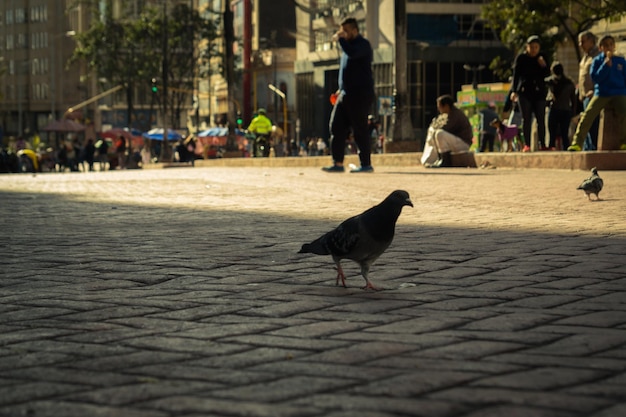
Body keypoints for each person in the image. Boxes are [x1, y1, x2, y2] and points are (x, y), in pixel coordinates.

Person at [323, 17, 375, 173]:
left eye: (346, 31)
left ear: (355, 30)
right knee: (336, 126)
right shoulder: (347, 47)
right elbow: (347, 71)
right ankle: (337, 163)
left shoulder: (362, 45)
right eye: (341, 30)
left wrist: (340, 40)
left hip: (360, 94)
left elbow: (353, 54)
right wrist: (340, 89)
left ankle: (366, 164)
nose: (343, 34)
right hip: (345, 94)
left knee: (359, 129)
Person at [568, 35, 626, 152]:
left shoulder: (621, 61)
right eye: (605, 45)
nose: (609, 47)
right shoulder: (597, 61)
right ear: (600, 48)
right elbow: (596, 78)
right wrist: (606, 65)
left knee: (624, 113)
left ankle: (624, 142)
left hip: (618, 92)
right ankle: (577, 143)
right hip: (602, 93)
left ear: (614, 46)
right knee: (588, 115)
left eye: (611, 44)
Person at [511, 35, 551, 152]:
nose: (534, 50)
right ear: (527, 47)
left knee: (541, 119)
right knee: (526, 119)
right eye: (531, 47)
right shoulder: (521, 58)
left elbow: (547, 74)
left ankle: (543, 144)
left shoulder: (542, 57)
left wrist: (543, 65)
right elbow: (516, 75)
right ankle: (527, 144)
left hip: (539, 92)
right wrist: (514, 91)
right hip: (525, 92)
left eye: (536, 47)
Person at [421, 94, 473, 168]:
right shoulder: (448, 114)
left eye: (440, 107)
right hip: (457, 142)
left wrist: (435, 127)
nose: (439, 109)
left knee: (440, 134)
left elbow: (445, 128)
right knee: (437, 133)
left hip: (463, 143)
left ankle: (445, 161)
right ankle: (440, 159)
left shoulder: (455, 114)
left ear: (446, 106)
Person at [577, 31, 601, 150]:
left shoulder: (598, 55)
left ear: (591, 41)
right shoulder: (585, 57)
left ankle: (594, 149)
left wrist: (594, 90)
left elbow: (602, 75)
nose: (580, 44)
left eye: (583, 41)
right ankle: (588, 148)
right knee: (586, 124)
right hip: (585, 97)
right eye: (579, 42)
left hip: (594, 96)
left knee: (592, 124)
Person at [546, 62, 577, 150]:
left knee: (552, 135)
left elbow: (548, 99)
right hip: (566, 110)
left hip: (554, 110)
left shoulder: (551, 82)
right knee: (565, 135)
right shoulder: (569, 83)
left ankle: (551, 151)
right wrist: (573, 113)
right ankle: (566, 152)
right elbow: (574, 100)